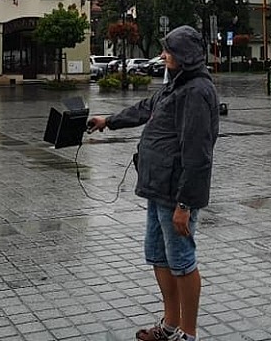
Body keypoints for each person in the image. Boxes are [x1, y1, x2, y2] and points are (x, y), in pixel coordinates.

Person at [88, 25, 219, 341]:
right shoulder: (175, 85)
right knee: (159, 257)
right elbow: (146, 108)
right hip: (157, 187)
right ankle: (170, 324)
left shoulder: (197, 91)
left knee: (182, 260)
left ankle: (188, 334)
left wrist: (185, 204)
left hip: (176, 193)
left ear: (184, 56)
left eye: (169, 51)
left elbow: (198, 153)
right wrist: (109, 121)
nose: (163, 55)